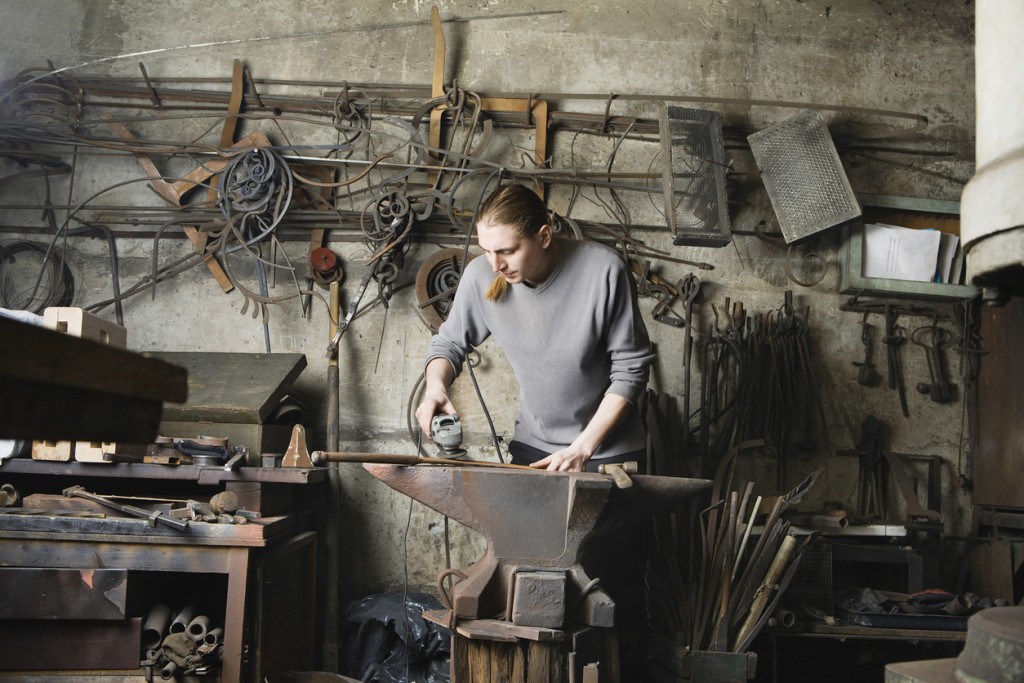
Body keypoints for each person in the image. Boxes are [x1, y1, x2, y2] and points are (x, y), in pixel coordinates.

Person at [414, 183, 656, 680]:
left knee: (612, 600)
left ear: (544, 236)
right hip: (535, 452)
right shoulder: (485, 275)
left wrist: (584, 447)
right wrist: (435, 385)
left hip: (609, 455)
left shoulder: (602, 270)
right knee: (533, 595)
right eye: (485, 250)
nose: (494, 263)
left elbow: (631, 371)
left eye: (506, 250)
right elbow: (450, 343)